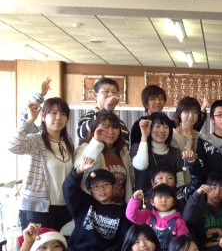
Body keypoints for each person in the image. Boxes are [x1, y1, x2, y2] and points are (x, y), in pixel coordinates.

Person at [64, 159, 130, 251]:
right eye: (96, 186)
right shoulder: (84, 203)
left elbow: (124, 241)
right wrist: (79, 171)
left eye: (106, 185)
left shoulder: (122, 212)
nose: (102, 189)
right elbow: (68, 188)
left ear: (113, 187)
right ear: (90, 190)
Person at [9, 95, 74, 230]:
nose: (58, 117)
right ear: (43, 116)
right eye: (53, 113)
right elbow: (13, 146)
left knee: (62, 243)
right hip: (37, 208)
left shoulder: (68, 143)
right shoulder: (35, 140)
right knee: (40, 243)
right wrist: (30, 120)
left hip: (65, 206)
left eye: (63, 114)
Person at [75, 111, 134, 204]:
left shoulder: (123, 152)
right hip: (96, 208)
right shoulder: (85, 147)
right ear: (95, 129)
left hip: (120, 207)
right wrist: (96, 141)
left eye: (115, 127)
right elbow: (83, 166)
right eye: (105, 127)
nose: (111, 132)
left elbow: (131, 180)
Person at [126, 186, 188, 251]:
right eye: (160, 197)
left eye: (168, 197)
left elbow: (183, 243)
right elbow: (131, 215)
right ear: (152, 202)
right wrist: (135, 200)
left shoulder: (179, 222)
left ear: (173, 202)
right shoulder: (147, 215)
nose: (164, 200)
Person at [131, 113, 184, 194]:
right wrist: (144, 136)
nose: (162, 130)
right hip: (143, 199)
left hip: (168, 199)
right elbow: (141, 166)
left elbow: (180, 182)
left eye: (166, 127)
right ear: (149, 128)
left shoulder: (175, 152)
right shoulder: (137, 147)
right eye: (157, 126)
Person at [77, 77, 129, 148]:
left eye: (114, 92)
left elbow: (125, 148)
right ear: (95, 95)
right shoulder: (88, 117)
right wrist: (105, 110)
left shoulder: (121, 123)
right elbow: (81, 134)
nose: (110, 95)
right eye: (105, 91)